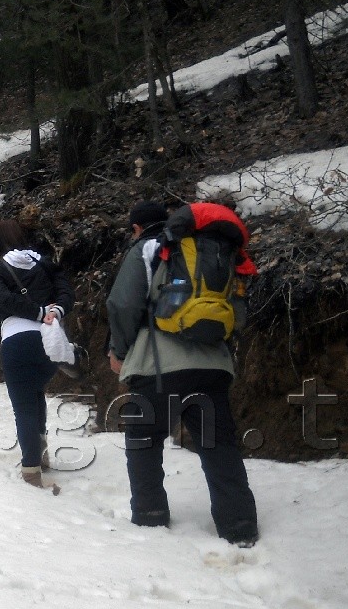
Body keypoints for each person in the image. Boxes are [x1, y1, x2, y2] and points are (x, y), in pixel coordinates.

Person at [106, 201, 260, 547]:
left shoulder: (151, 248)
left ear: (136, 227)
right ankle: (240, 526)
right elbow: (238, 311)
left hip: (157, 366)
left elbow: (124, 304)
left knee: (143, 440)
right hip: (212, 368)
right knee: (218, 446)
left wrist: (118, 351)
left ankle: (150, 516)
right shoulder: (220, 251)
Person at [0, 218, 73, 493]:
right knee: (37, 394)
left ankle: (31, 467)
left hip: (16, 341)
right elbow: (66, 292)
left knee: (23, 404)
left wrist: (34, 313)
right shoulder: (45, 263)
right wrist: (53, 312)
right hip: (48, 342)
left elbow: (4, 299)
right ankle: (42, 454)